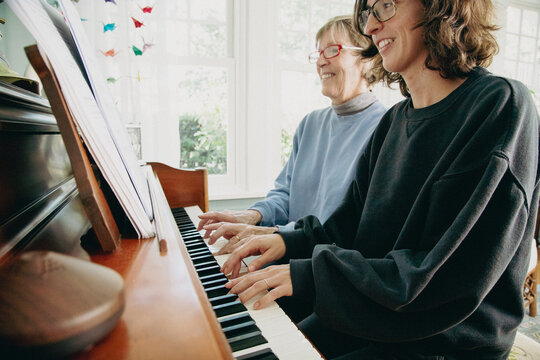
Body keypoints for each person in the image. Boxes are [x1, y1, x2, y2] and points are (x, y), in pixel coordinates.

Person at [220, 0, 540, 359]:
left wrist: (309, 276)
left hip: (443, 337)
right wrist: (284, 243)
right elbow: (348, 228)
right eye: (367, 11)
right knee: (241, 338)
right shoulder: (393, 122)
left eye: (386, 5)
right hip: (377, 312)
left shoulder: (499, 105)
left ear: (441, 6)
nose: (370, 26)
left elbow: (443, 279)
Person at [197, 15, 387, 253]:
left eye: (332, 50)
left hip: (325, 268)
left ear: (367, 59)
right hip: (284, 252)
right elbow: (284, 194)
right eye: (318, 53)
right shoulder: (311, 123)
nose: (320, 61)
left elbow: (346, 228)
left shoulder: (386, 129)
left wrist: (273, 234)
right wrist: (251, 216)